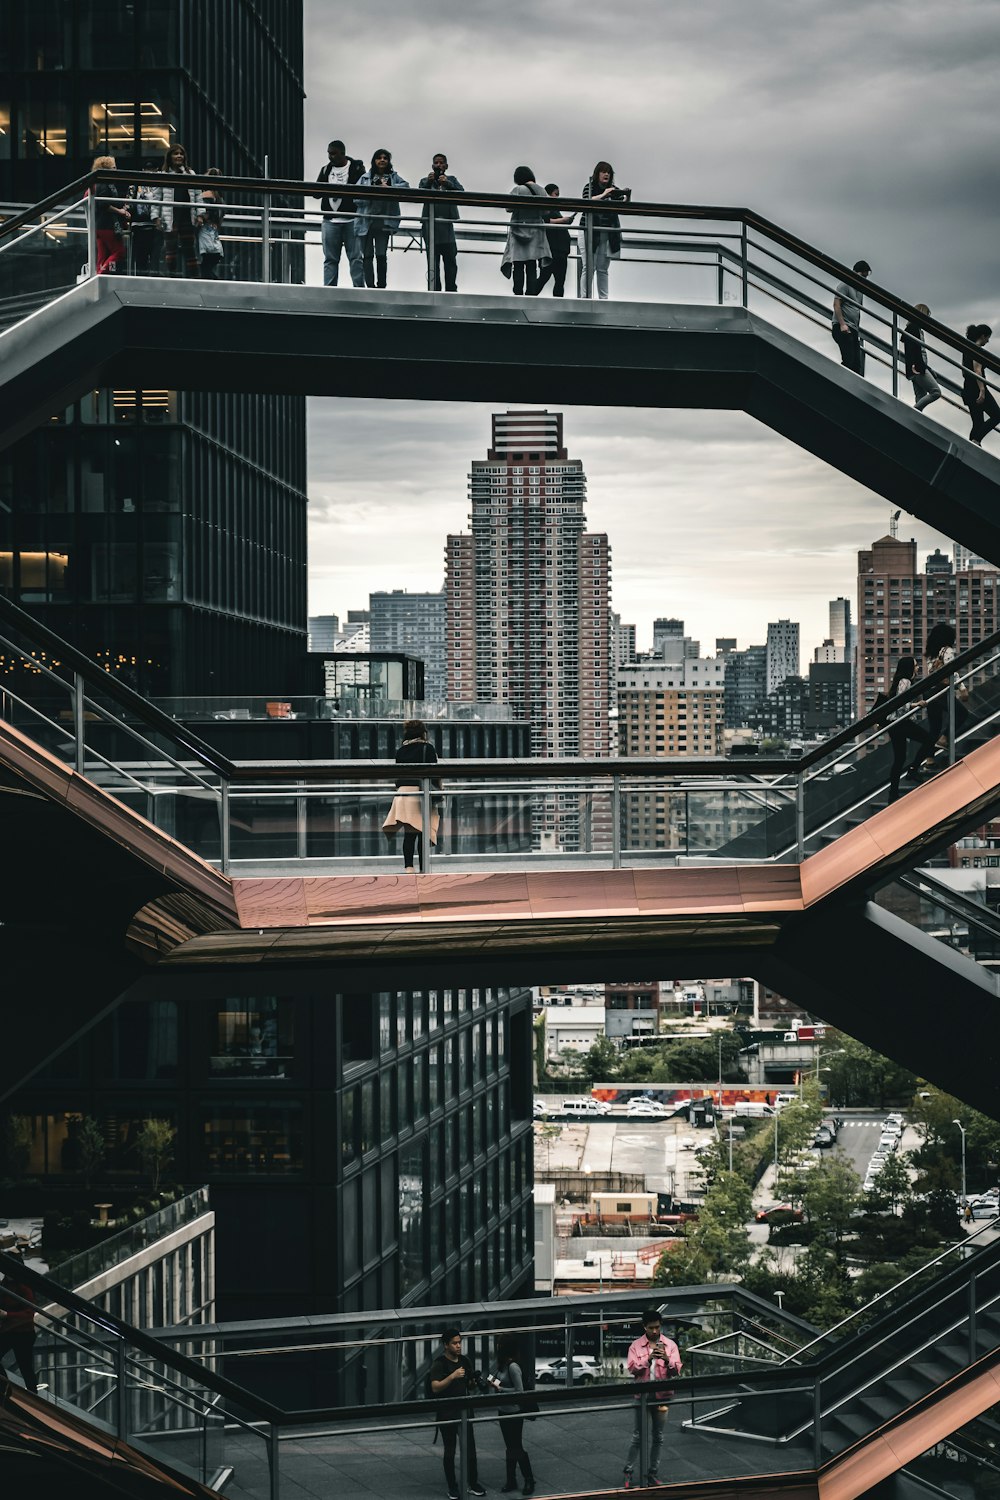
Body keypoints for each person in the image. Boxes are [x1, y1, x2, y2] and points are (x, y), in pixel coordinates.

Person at [622, 1309, 682, 1489]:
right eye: (651, 1328)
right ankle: (629, 1471)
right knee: (638, 1436)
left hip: (662, 1395)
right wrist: (648, 1359)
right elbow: (632, 1369)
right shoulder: (635, 1345)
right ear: (644, 1327)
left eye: (657, 1327)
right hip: (642, 1396)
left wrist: (667, 1360)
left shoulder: (670, 1345)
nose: (655, 1331)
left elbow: (677, 1370)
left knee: (658, 1437)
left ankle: (652, 1473)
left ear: (660, 1325)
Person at [429, 1328, 487, 1500]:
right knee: (450, 1450)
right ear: (446, 1345)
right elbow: (435, 1387)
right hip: (447, 1413)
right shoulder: (439, 1364)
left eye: (459, 1342)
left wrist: (473, 1382)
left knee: (470, 1449)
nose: (458, 1346)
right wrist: (452, 1376)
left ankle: (472, 1482)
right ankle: (452, 1487)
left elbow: (469, 1386)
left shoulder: (465, 1361)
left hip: (464, 1411)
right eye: (454, 1343)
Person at [382, 718, 441, 872]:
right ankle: (423, 868)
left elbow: (398, 774)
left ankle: (409, 867)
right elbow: (434, 773)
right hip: (421, 792)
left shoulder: (401, 750)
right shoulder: (427, 748)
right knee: (423, 832)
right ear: (423, 733)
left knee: (409, 834)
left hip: (403, 794)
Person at [882, 655, 936, 803]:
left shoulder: (900, 681)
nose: (918, 667)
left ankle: (893, 794)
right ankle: (913, 770)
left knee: (900, 758)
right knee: (929, 739)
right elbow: (901, 703)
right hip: (900, 723)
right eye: (916, 665)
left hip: (894, 724)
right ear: (909, 667)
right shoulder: (905, 681)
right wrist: (916, 705)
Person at [355, 148, 410, 289]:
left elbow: (406, 187)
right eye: (379, 157)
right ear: (374, 161)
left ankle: (381, 286)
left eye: (385, 158)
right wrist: (370, 192)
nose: (382, 160)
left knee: (381, 255)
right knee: (367, 256)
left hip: (384, 221)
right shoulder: (365, 178)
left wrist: (390, 187)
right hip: (365, 221)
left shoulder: (393, 177)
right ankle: (370, 286)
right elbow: (354, 197)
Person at [316, 140, 365, 288]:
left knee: (355, 258)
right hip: (330, 220)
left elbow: (364, 190)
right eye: (329, 153)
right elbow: (316, 192)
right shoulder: (325, 169)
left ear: (343, 153)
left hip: (351, 220)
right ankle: (329, 290)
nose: (330, 157)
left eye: (334, 153)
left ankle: (358, 289)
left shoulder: (356, 168)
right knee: (331, 259)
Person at [152, 142, 203, 278]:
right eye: (176, 153)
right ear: (170, 157)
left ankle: (194, 278)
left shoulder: (190, 173)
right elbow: (156, 198)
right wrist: (156, 217)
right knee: (171, 250)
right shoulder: (163, 174)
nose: (179, 156)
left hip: (187, 216)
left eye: (181, 154)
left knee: (190, 249)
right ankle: (172, 276)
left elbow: (198, 195)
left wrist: (200, 214)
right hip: (171, 217)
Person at [922, 622, 970, 764]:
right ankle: (944, 739)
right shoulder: (947, 650)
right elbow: (951, 670)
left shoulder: (931, 653)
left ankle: (929, 759)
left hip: (929, 691)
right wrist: (962, 688)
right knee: (962, 713)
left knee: (934, 727)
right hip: (941, 691)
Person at [580, 161, 628, 300]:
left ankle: (604, 299)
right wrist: (604, 194)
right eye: (603, 171)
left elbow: (624, 206)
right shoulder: (589, 187)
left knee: (602, 269)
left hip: (607, 233)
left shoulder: (614, 190)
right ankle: (585, 298)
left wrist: (626, 196)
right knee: (588, 267)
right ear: (597, 174)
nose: (606, 174)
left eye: (609, 172)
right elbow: (586, 201)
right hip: (588, 231)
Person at [494, 1334, 535, 1496]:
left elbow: (520, 1391)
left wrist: (501, 1390)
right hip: (503, 1411)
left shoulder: (513, 1367)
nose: (497, 1347)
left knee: (516, 1447)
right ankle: (511, 1480)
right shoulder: (502, 1365)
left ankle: (528, 1479)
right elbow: (500, 1381)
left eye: (499, 1344)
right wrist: (494, 1383)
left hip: (513, 1412)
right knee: (510, 1447)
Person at [500, 166, 550, 296]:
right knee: (531, 265)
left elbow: (508, 208)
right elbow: (546, 211)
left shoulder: (517, 190)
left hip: (518, 230)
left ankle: (518, 295)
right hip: (535, 231)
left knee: (518, 265)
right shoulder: (542, 191)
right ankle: (531, 295)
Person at [419, 153, 464, 291]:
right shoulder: (425, 181)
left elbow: (462, 193)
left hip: (447, 227)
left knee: (450, 260)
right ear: (432, 165)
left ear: (446, 166)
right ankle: (434, 289)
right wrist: (428, 182)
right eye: (436, 163)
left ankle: (451, 289)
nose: (439, 165)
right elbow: (418, 194)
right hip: (430, 227)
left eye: (441, 163)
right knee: (433, 261)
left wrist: (448, 184)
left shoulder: (452, 179)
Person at [0, 1254, 39, 1394]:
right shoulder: (5, 1284)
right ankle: (4, 1388)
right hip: (10, 1331)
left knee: (25, 1367)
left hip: (23, 1333)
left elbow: (29, 1313)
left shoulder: (24, 1286)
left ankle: (33, 1397)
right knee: (26, 1367)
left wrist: (6, 1315)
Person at [90, 155, 130, 274]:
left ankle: (99, 276)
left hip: (99, 226)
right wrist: (120, 211)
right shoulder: (105, 184)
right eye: (113, 168)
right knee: (119, 251)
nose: (116, 170)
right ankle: (100, 275)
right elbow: (103, 204)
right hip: (107, 225)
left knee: (102, 256)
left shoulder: (99, 183)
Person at [962, 324, 1000, 447]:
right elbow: (977, 370)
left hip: (968, 388)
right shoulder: (977, 349)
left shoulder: (968, 347)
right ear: (983, 336)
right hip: (977, 388)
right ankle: (976, 440)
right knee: (997, 415)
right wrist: (982, 391)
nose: (988, 341)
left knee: (977, 423)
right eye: (987, 338)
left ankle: (972, 445)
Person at [831, 260, 871, 375]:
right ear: (855, 272)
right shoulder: (845, 285)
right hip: (842, 327)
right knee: (849, 361)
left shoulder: (860, 289)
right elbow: (836, 305)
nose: (864, 279)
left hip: (853, 329)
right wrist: (842, 324)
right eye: (862, 276)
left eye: (866, 277)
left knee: (856, 365)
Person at [533, 184, 574, 297]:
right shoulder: (545, 208)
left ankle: (531, 297)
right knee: (545, 277)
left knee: (558, 281)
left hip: (560, 250)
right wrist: (564, 220)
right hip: (551, 250)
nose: (557, 197)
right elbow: (544, 221)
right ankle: (529, 297)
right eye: (556, 194)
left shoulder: (554, 209)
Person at [902, 305, 941, 411]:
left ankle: (914, 419)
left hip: (918, 366)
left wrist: (928, 368)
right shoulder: (913, 328)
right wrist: (917, 366)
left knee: (920, 397)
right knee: (936, 392)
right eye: (927, 316)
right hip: (917, 367)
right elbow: (912, 350)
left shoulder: (916, 329)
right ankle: (911, 413)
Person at [126, 161, 161, 274]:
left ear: (156, 170)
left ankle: (154, 281)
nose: (149, 171)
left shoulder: (160, 184)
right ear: (142, 170)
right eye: (146, 169)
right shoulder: (135, 184)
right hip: (139, 225)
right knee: (141, 257)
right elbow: (129, 203)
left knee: (155, 257)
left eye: (152, 169)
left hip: (156, 225)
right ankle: (142, 278)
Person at [197, 167, 225, 279]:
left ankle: (216, 284)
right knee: (206, 267)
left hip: (205, 232)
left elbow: (203, 212)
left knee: (204, 268)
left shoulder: (207, 194)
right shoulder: (219, 197)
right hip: (213, 235)